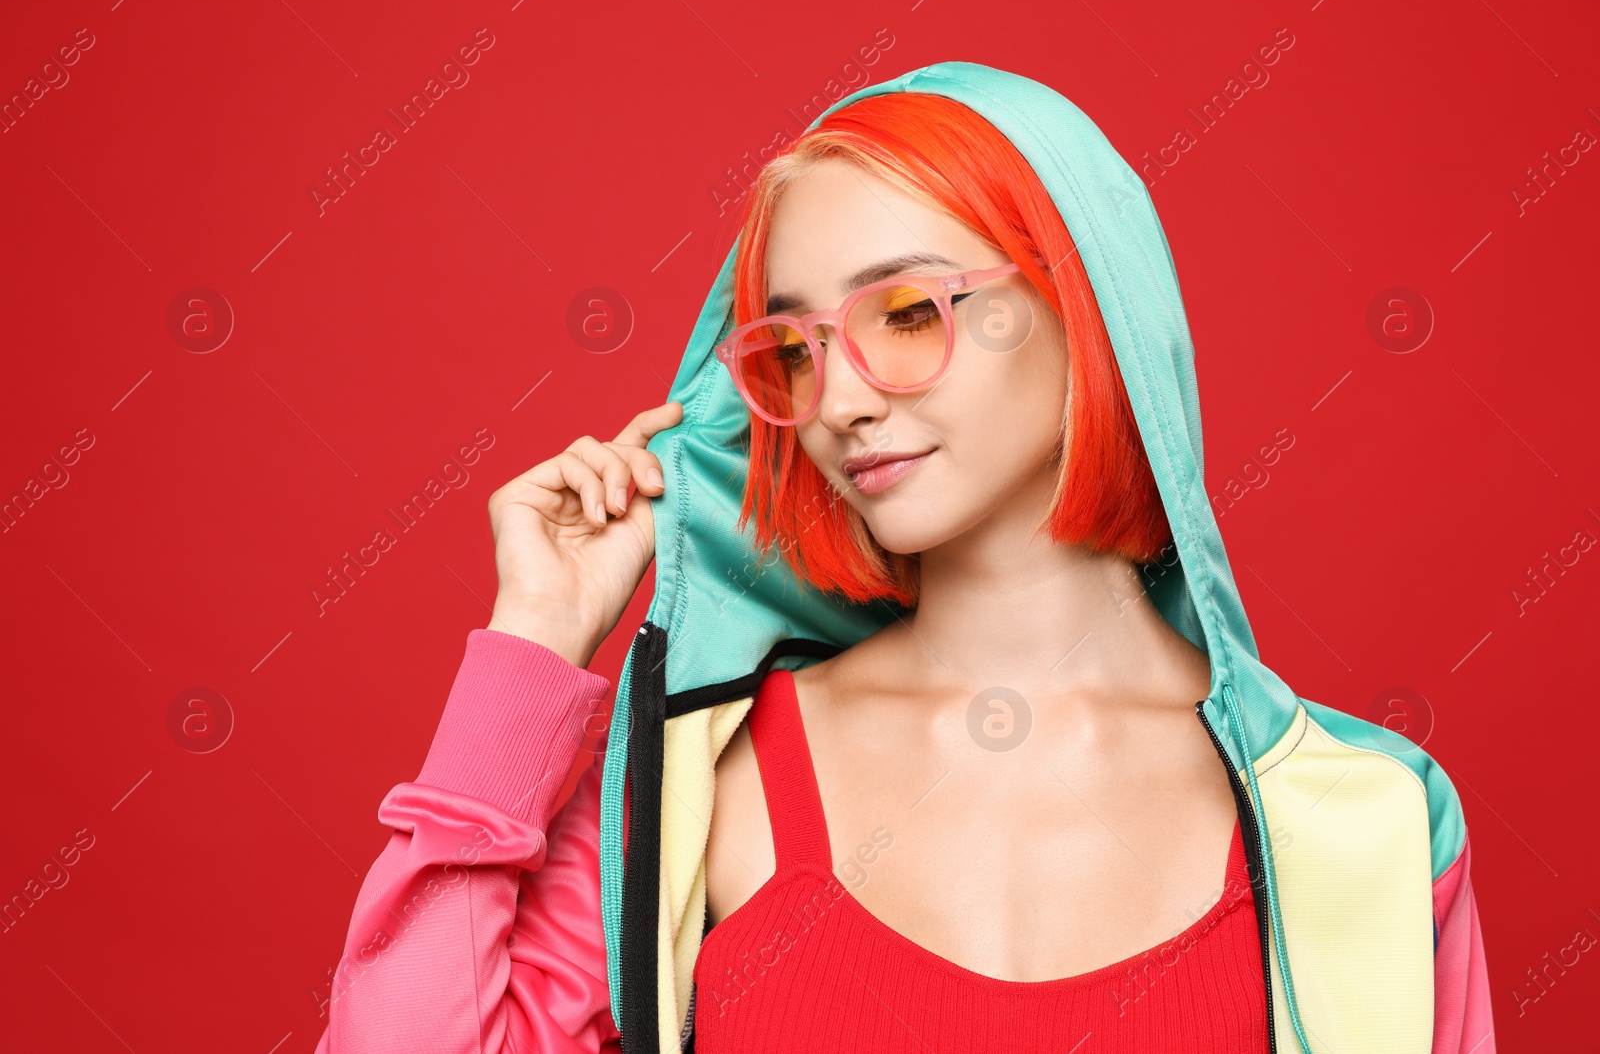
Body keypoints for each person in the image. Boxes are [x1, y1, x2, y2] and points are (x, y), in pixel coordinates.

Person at [313, 61, 1494, 1054]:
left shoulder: (1361, 817)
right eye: (796, 349)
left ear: (1085, 304)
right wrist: (534, 640)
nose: (840, 398)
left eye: (908, 313)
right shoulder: (699, 770)